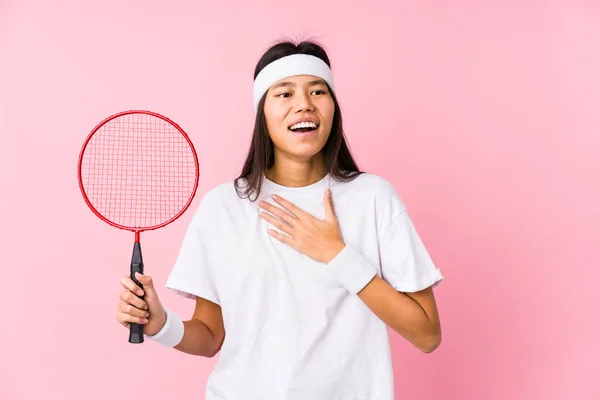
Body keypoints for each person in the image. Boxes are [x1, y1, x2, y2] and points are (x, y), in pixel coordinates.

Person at [116, 39, 444, 399]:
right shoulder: (224, 207)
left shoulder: (374, 198)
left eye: (318, 91)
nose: (304, 104)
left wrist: (337, 254)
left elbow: (427, 334)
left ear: (333, 106)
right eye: (284, 94)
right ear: (262, 113)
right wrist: (160, 324)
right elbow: (210, 337)